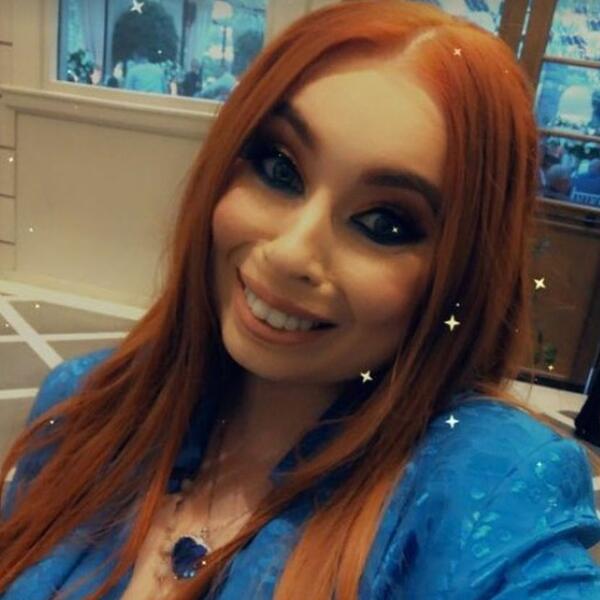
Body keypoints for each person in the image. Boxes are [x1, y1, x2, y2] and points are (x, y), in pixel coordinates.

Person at [2, 1, 600, 598]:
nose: (290, 253)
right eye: (280, 169)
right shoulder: (86, 407)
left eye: (384, 223)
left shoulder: (485, 493)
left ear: (459, 276)